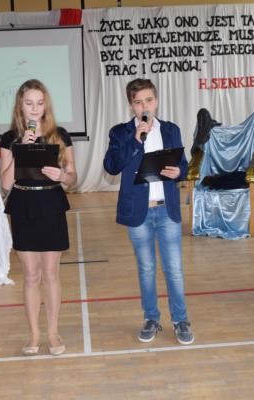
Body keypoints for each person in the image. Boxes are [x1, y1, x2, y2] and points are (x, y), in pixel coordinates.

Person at [103, 78, 194, 345]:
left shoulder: (171, 130)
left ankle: (180, 320)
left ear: (156, 101)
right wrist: (135, 140)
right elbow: (111, 166)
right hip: (139, 212)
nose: (145, 106)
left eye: (149, 100)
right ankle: (151, 318)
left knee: (174, 269)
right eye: (138, 102)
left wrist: (180, 172)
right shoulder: (120, 132)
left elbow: (184, 165)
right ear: (131, 105)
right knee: (146, 269)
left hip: (167, 210)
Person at [0, 79, 77, 356]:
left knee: (51, 274)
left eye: (39, 103)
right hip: (23, 205)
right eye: (29, 103)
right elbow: (5, 184)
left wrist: (63, 175)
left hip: (51, 204)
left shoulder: (60, 135)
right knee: (31, 276)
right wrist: (20, 150)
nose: (34, 108)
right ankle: (34, 334)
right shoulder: (10, 139)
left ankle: (53, 333)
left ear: (46, 105)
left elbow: (73, 179)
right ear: (20, 106)